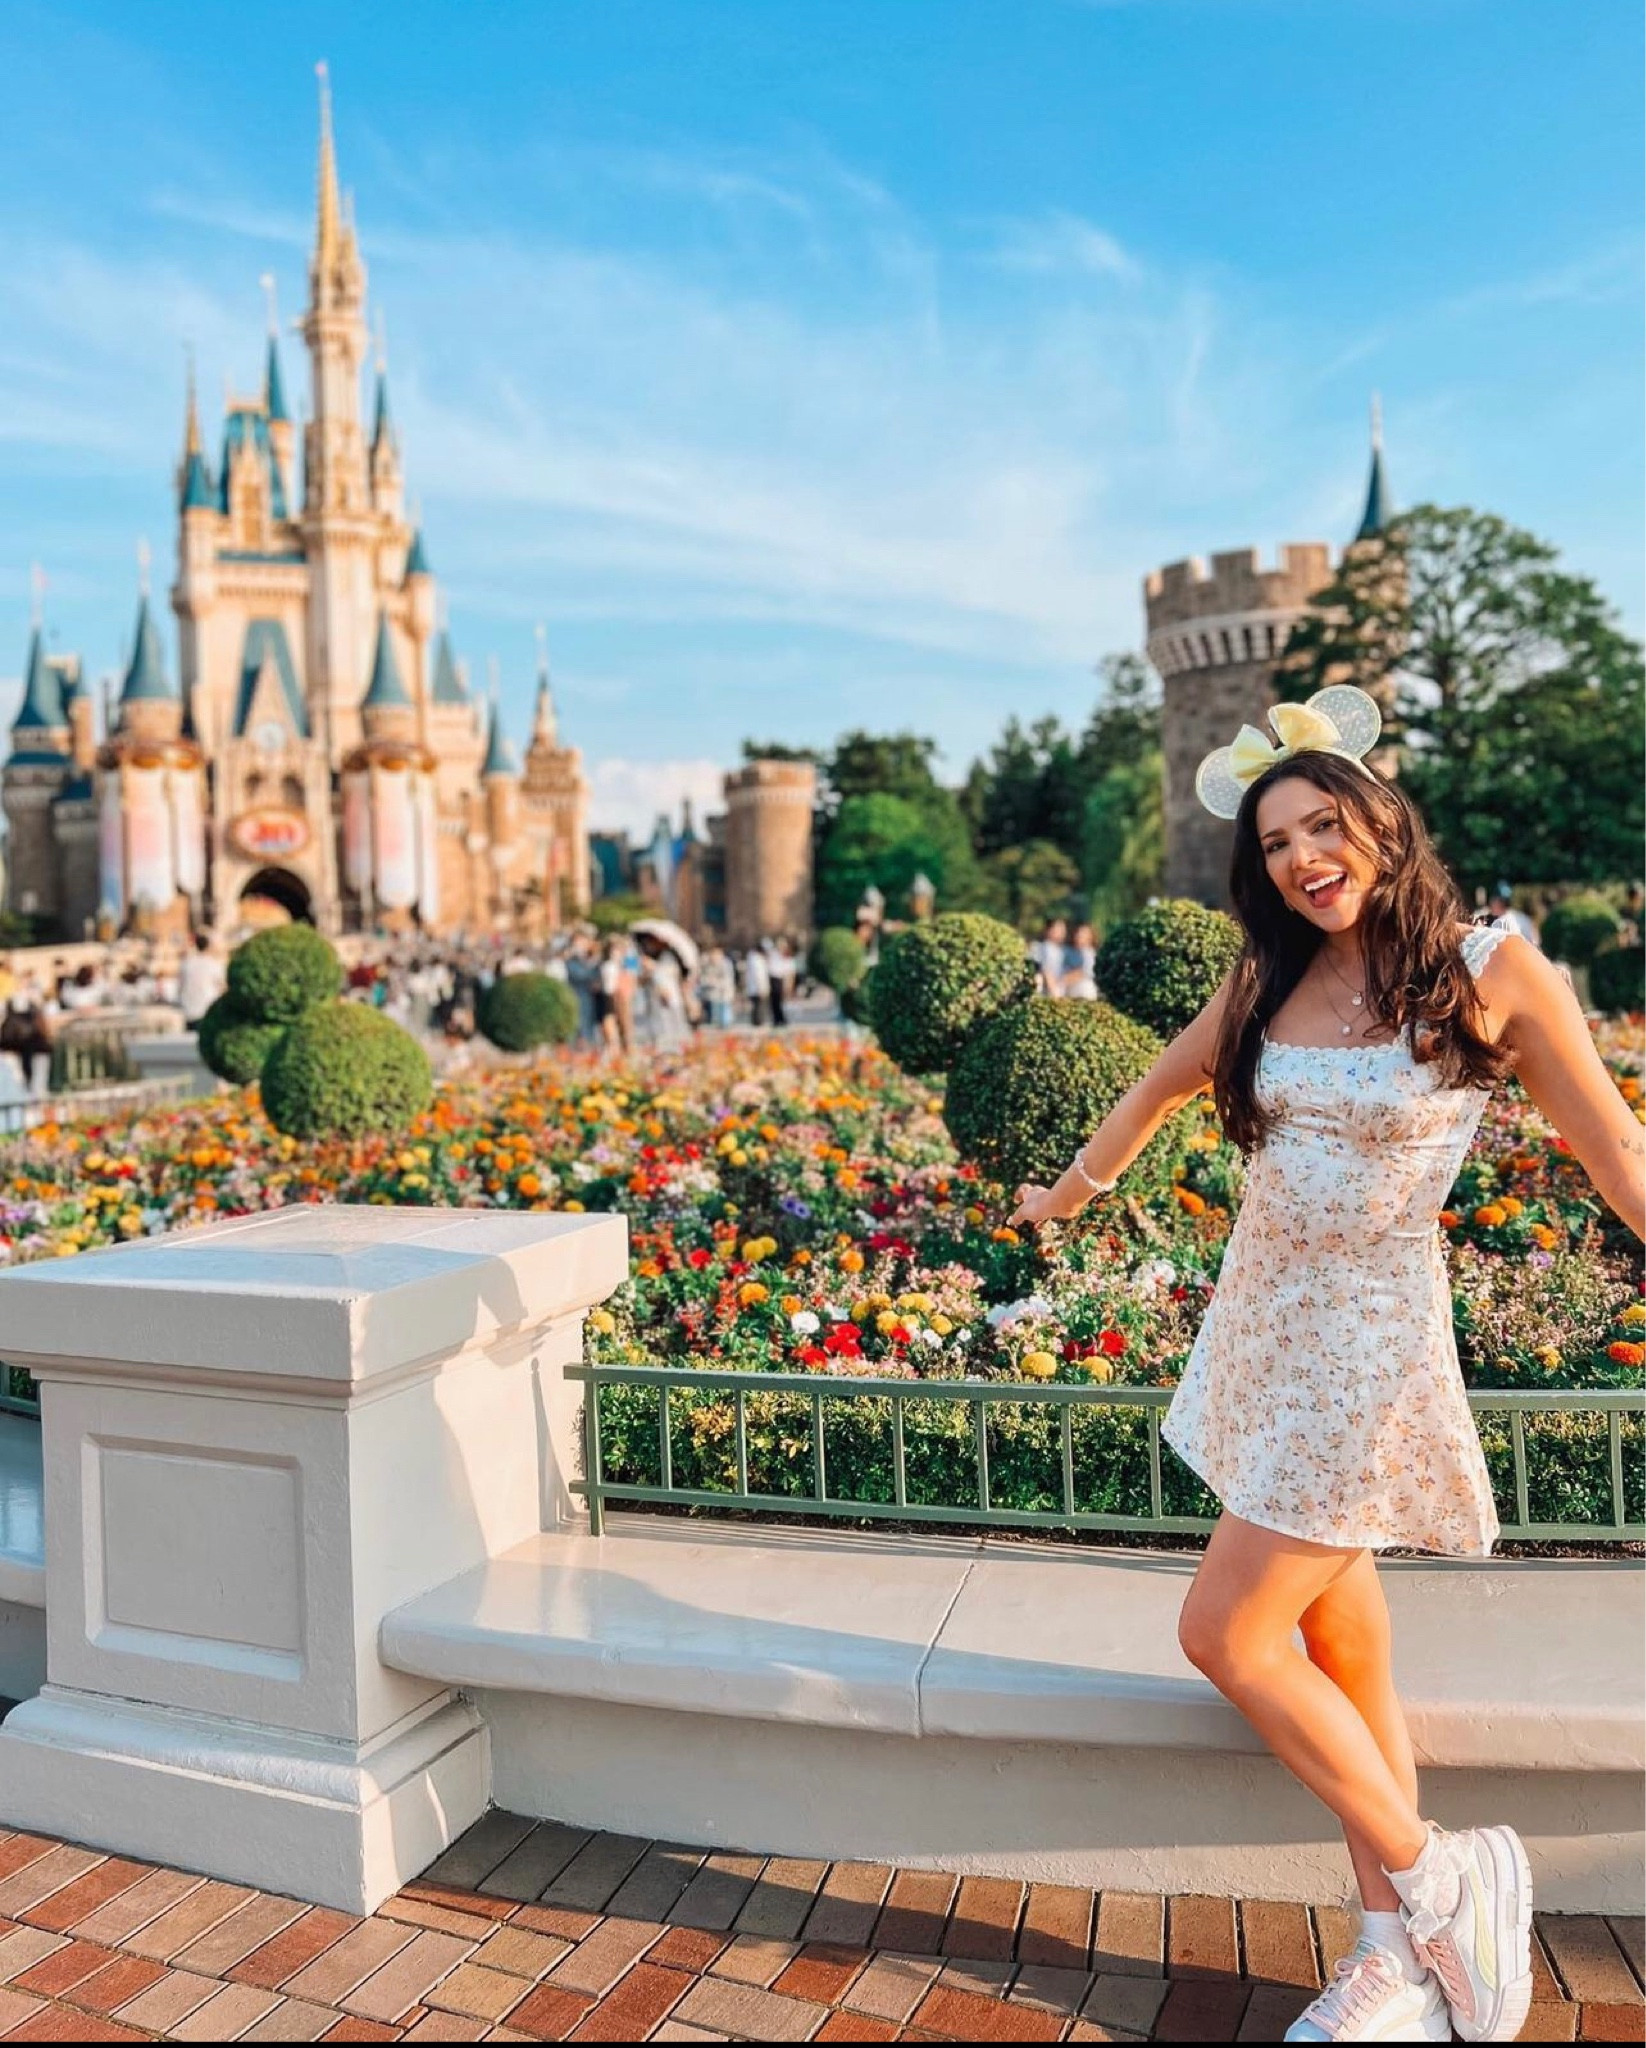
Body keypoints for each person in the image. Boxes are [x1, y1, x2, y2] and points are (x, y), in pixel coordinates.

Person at [1009, 689, 1644, 2047]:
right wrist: (1069, 1189)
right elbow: (1159, 1083)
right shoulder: (1270, 977)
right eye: (1275, 841)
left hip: (1365, 1345)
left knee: (1224, 1633)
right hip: (1266, 1328)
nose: (1302, 856)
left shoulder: (1491, 968)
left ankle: (1438, 1873)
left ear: (1376, 820)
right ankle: (1399, 1956)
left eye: (1320, 822)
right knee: (1340, 1648)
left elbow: (1615, 1153)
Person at [176, 933, 227, 1026]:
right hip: (207, 1009)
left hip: (189, 1009)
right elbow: (222, 987)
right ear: (209, 946)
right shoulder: (214, 965)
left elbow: (180, 987)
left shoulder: (186, 964)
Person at [1030, 916, 1069, 996]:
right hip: (1043, 984)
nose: (1061, 933)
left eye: (1062, 930)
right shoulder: (1038, 946)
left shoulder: (1065, 951)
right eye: (1057, 929)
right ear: (1048, 930)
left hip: (1059, 985)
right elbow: (1042, 968)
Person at [1065, 920, 1099, 999]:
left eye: (1084, 933)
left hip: (1083, 989)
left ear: (1090, 937)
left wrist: (1063, 981)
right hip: (1068, 989)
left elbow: (1083, 973)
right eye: (1078, 933)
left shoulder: (1089, 953)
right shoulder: (1068, 951)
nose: (1079, 935)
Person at [743, 944, 770, 1027]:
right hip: (757, 987)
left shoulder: (752, 959)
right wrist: (761, 988)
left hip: (753, 987)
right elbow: (759, 976)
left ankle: (756, 1021)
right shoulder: (756, 961)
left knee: (756, 1006)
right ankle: (758, 1022)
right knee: (758, 1006)